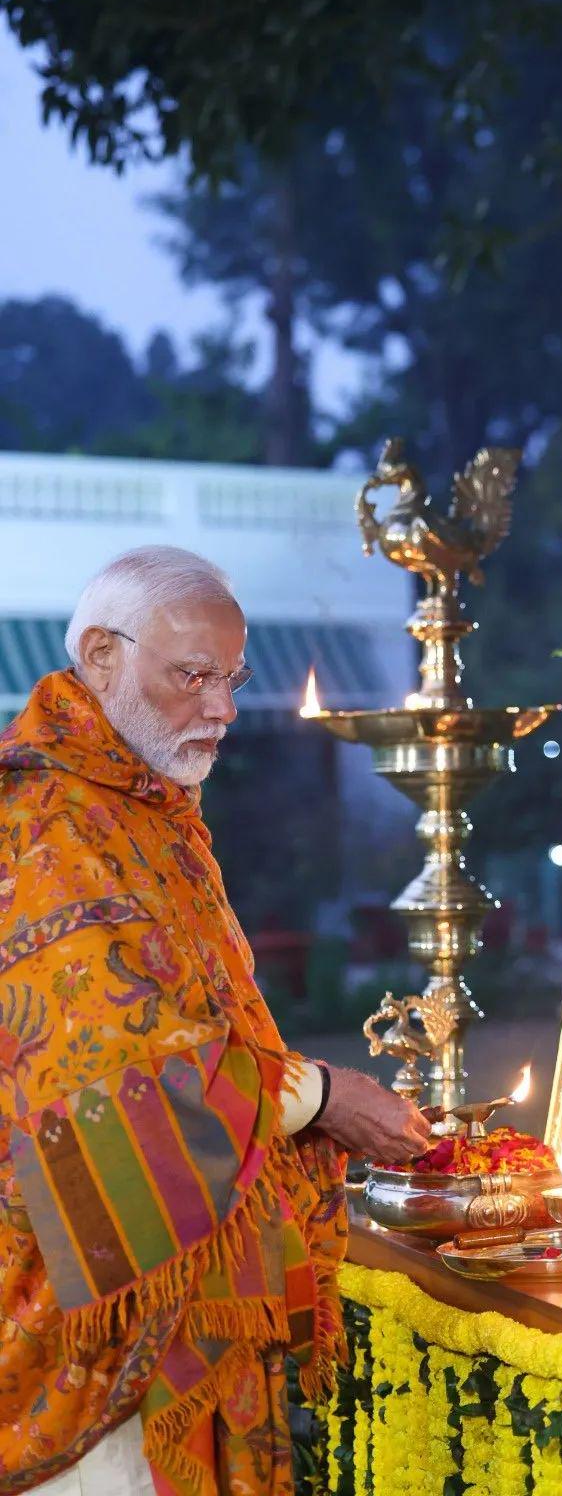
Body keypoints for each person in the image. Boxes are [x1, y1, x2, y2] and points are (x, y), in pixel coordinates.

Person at [0, 546, 432, 1496]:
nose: (225, 707)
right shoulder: (51, 822)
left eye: (231, 679)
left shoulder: (142, 805)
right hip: (82, 1306)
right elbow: (105, 1075)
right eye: (191, 675)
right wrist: (319, 1098)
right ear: (100, 656)